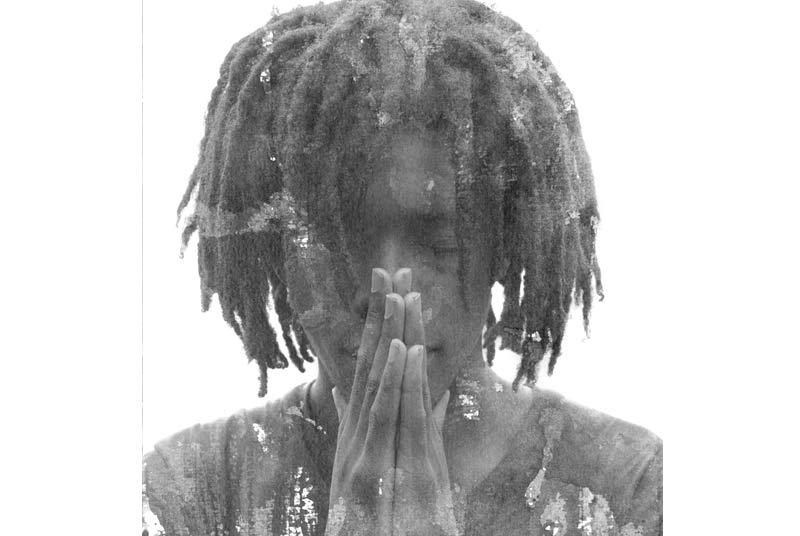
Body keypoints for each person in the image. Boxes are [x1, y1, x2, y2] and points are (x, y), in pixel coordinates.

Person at [142, 0, 662, 534]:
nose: (388, 290)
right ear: (276, 253)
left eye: (437, 241)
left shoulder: (629, 492)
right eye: (335, 242)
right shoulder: (187, 497)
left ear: (504, 243)